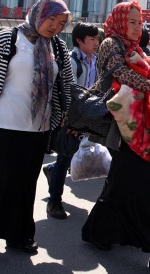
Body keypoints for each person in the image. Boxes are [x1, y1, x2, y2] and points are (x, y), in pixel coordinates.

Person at [81, 2, 150, 273]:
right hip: (124, 125)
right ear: (118, 21)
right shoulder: (110, 44)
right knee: (144, 188)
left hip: (137, 125)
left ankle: (98, 232)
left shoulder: (135, 48)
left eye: (139, 22)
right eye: (131, 21)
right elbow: (121, 73)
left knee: (120, 184)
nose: (136, 26)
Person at [0, 0, 73, 253]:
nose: (54, 27)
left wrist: (67, 116)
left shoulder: (58, 47)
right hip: (5, 124)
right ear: (38, 14)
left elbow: (66, 86)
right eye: (51, 20)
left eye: (60, 24)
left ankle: (20, 235)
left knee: (27, 184)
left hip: (38, 128)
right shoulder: (8, 38)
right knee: (1, 182)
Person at [42, 22, 99, 219]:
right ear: (79, 40)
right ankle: (53, 202)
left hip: (88, 115)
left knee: (74, 154)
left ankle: (51, 170)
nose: (96, 42)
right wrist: (71, 121)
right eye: (92, 39)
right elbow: (69, 92)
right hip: (72, 116)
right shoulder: (71, 61)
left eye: (97, 39)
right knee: (65, 156)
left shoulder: (96, 60)